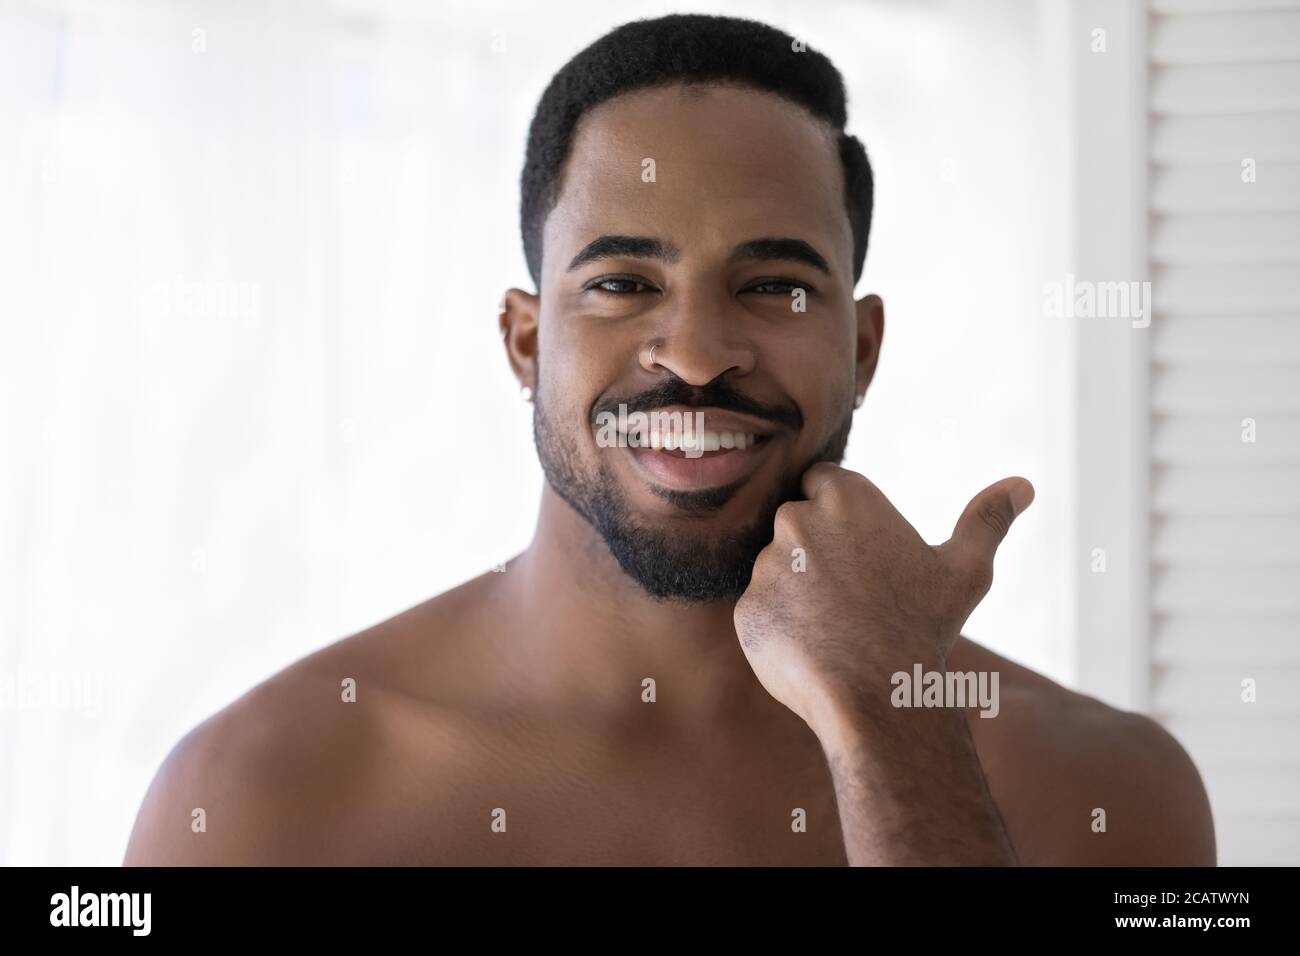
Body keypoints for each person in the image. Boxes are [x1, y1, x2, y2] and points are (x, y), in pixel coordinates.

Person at [125, 13, 1215, 866]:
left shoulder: (1104, 792)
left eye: (774, 283)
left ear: (864, 346)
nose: (695, 353)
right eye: (623, 283)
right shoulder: (259, 795)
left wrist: (894, 728)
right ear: (523, 339)